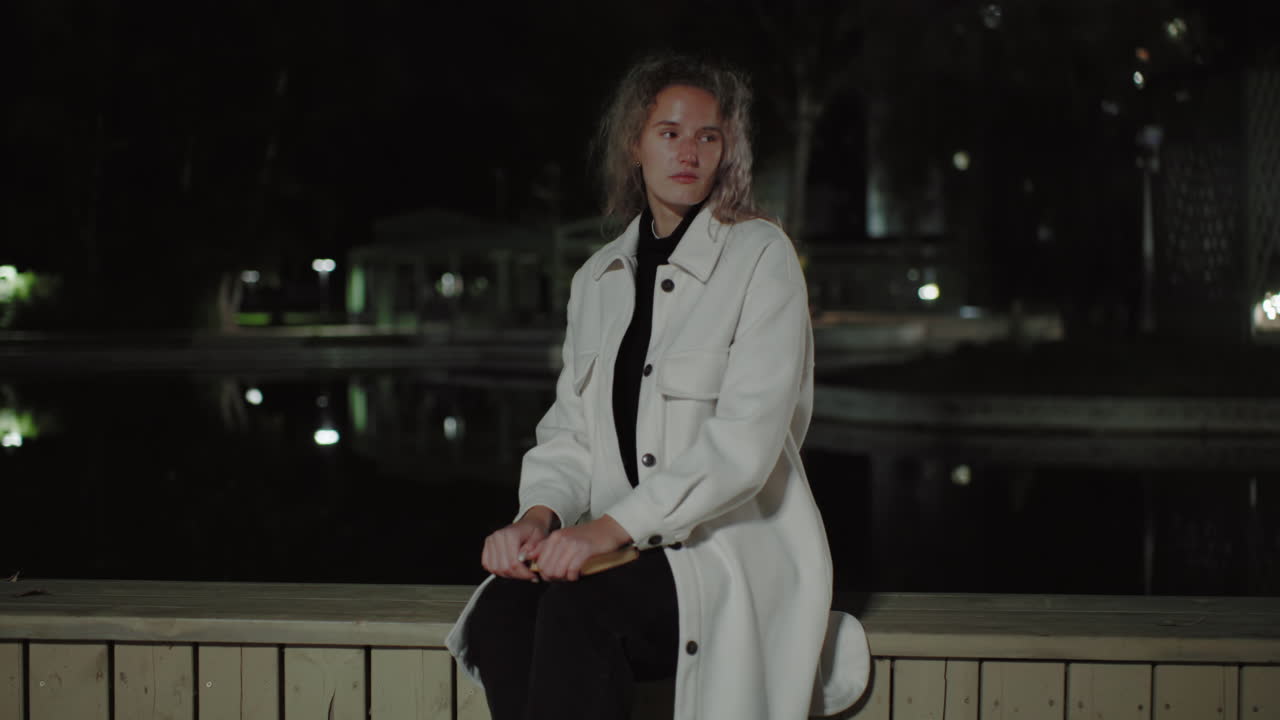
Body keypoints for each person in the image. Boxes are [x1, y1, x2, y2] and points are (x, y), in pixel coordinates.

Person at [446, 53, 868, 720]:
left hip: (725, 555)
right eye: (669, 132)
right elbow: (571, 434)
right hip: (626, 555)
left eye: (708, 135)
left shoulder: (761, 255)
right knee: (501, 613)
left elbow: (743, 448)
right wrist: (537, 519)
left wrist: (605, 531)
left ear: (728, 151)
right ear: (633, 143)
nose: (689, 152)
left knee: (580, 609)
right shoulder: (597, 279)